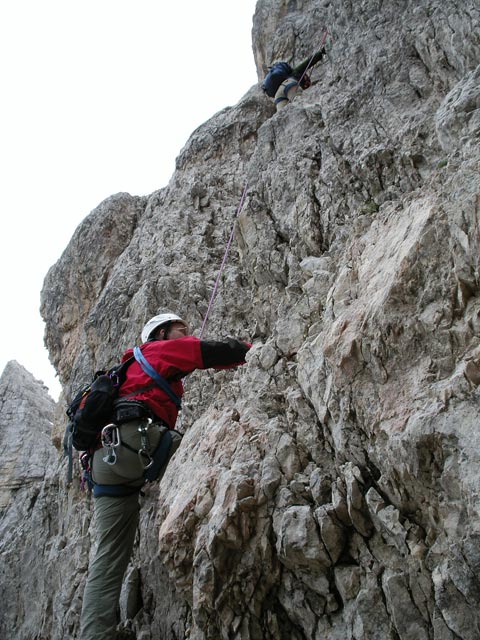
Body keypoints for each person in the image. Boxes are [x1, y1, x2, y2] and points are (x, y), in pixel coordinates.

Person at [79, 312, 251, 640]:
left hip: (103, 465)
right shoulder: (157, 351)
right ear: (160, 333)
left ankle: (96, 634)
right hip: (135, 443)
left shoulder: (126, 372)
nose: (186, 331)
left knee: (108, 553)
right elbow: (211, 351)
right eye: (180, 328)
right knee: (209, 446)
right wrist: (254, 351)